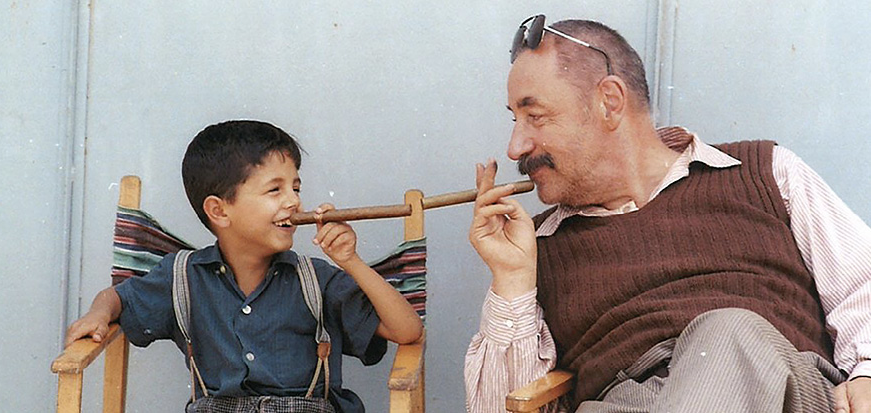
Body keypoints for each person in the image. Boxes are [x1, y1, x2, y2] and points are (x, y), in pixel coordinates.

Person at [464, 15, 871, 413]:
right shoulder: (537, 247)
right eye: (515, 119)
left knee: (727, 335)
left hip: (782, 389)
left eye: (534, 117)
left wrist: (866, 375)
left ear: (609, 102)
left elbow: (862, 288)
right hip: (626, 401)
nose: (515, 147)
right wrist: (513, 279)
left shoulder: (765, 172)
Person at [65, 120, 423, 413]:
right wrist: (99, 313)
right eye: (275, 190)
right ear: (219, 211)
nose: (294, 201)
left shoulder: (318, 279)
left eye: (296, 187)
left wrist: (350, 261)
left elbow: (407, 331)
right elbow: (118, 298)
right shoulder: (183, 277)